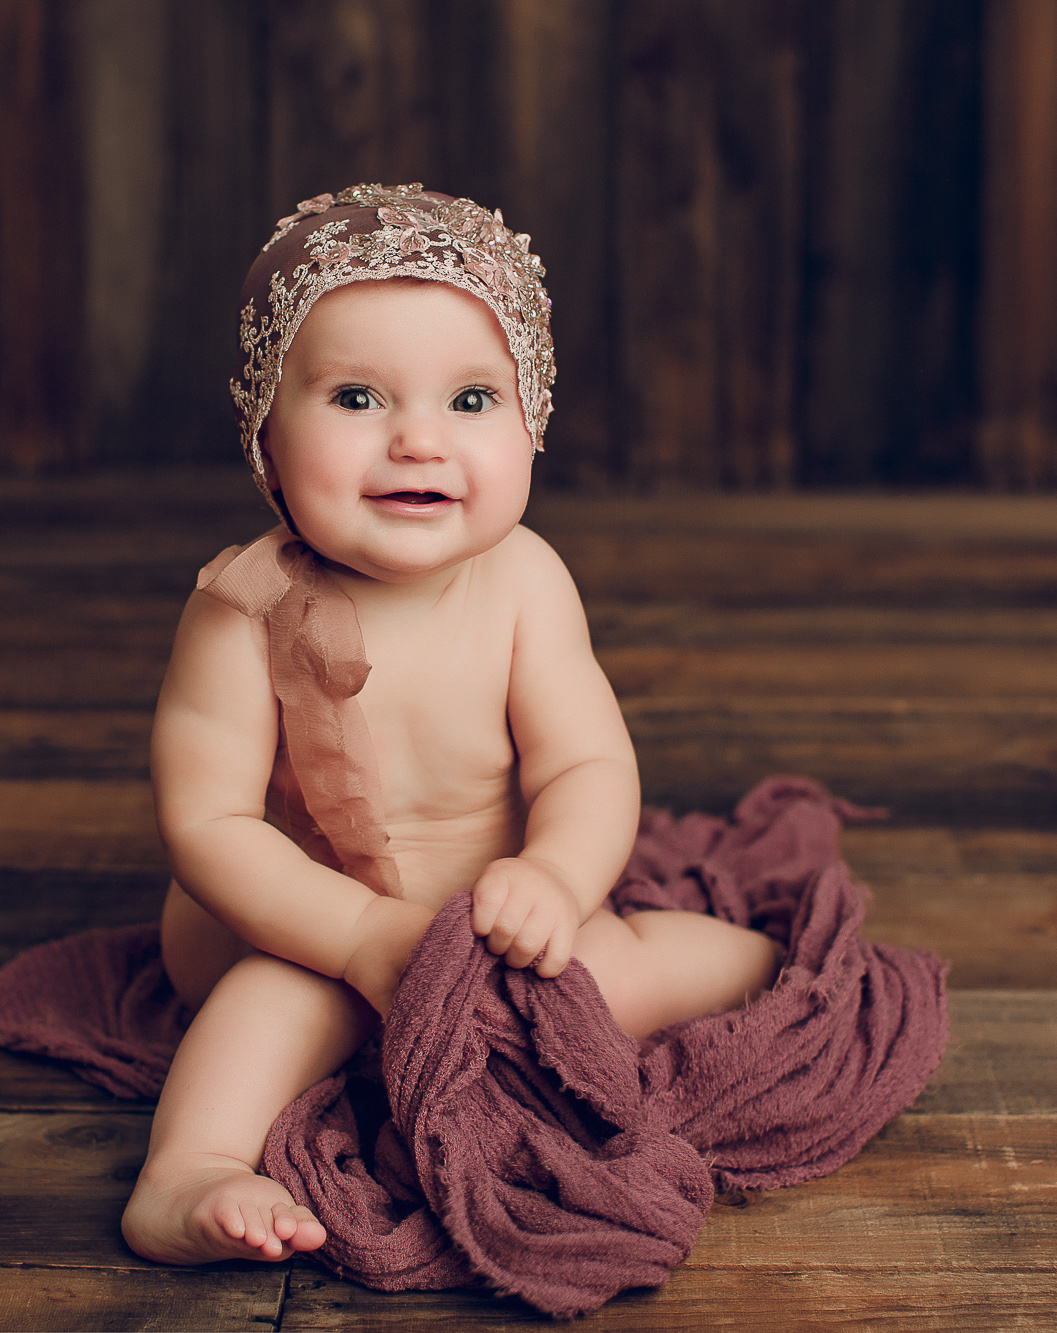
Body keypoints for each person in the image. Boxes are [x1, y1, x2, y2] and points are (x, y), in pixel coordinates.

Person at [120, 184, 781, 1267]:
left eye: (472, 400)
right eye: (355, 398)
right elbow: (208, 824)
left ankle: (783, 975)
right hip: (310, 931)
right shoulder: (239, 612)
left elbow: (585, 762)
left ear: (533, 421)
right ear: (264, 431)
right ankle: (185, 1173)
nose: (419, 441)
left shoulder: (523, 579)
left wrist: (558, 880)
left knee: (639, 963)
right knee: (265, 1007)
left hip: (494, 927)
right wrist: (356, 935)